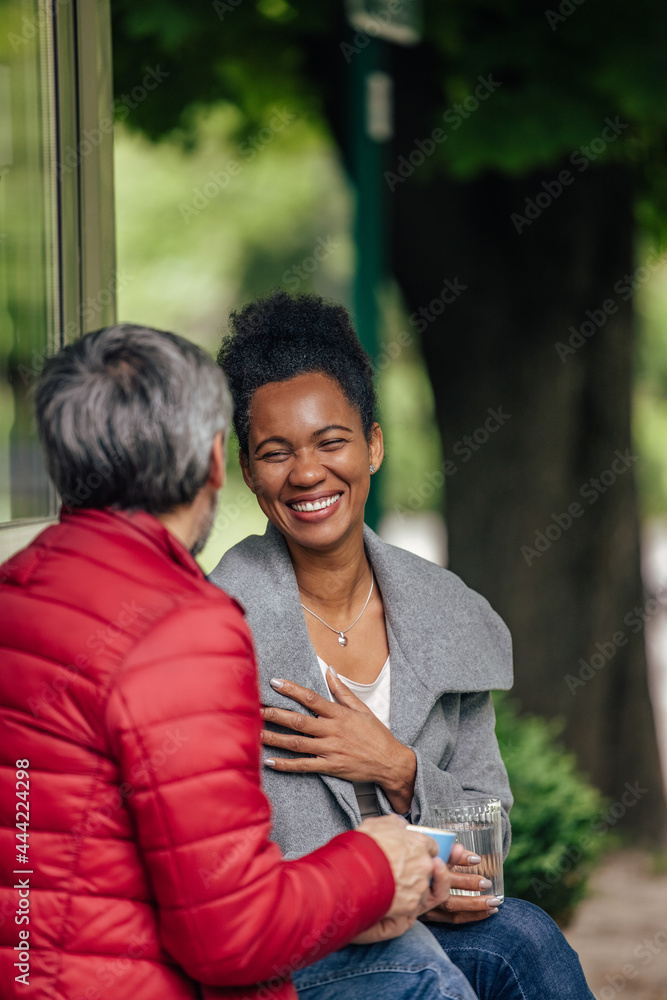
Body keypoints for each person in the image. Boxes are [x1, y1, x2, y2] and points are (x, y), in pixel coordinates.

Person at [0, 324, 476, 1000]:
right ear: (218, 464)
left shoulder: (17, 589)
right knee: (426, 979)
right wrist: (376, 863)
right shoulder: (179, 624)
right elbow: (232, 939)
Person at [210, 291, 596, 1000]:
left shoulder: (443, 612)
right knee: (423, 972)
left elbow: (487, 826)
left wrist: (399, 769)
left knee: (527, 938)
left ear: (373, 445)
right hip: (304, 947)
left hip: (420, 919)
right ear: (248, 471)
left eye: (331, 441)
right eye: (275, 452)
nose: (305, 473)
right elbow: (215, 866)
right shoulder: (218, 624)